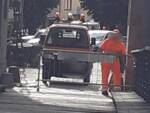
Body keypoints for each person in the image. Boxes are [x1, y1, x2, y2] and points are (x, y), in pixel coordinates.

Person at [99, 29, 126, 96]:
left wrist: (101, 57)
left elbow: (100, 49)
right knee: (117, 74)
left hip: (106, 59)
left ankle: (104, 89)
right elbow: (123, 54)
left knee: (105, 74)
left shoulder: (107, 41)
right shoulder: (120, 43)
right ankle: (117, 88)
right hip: (115, 59)